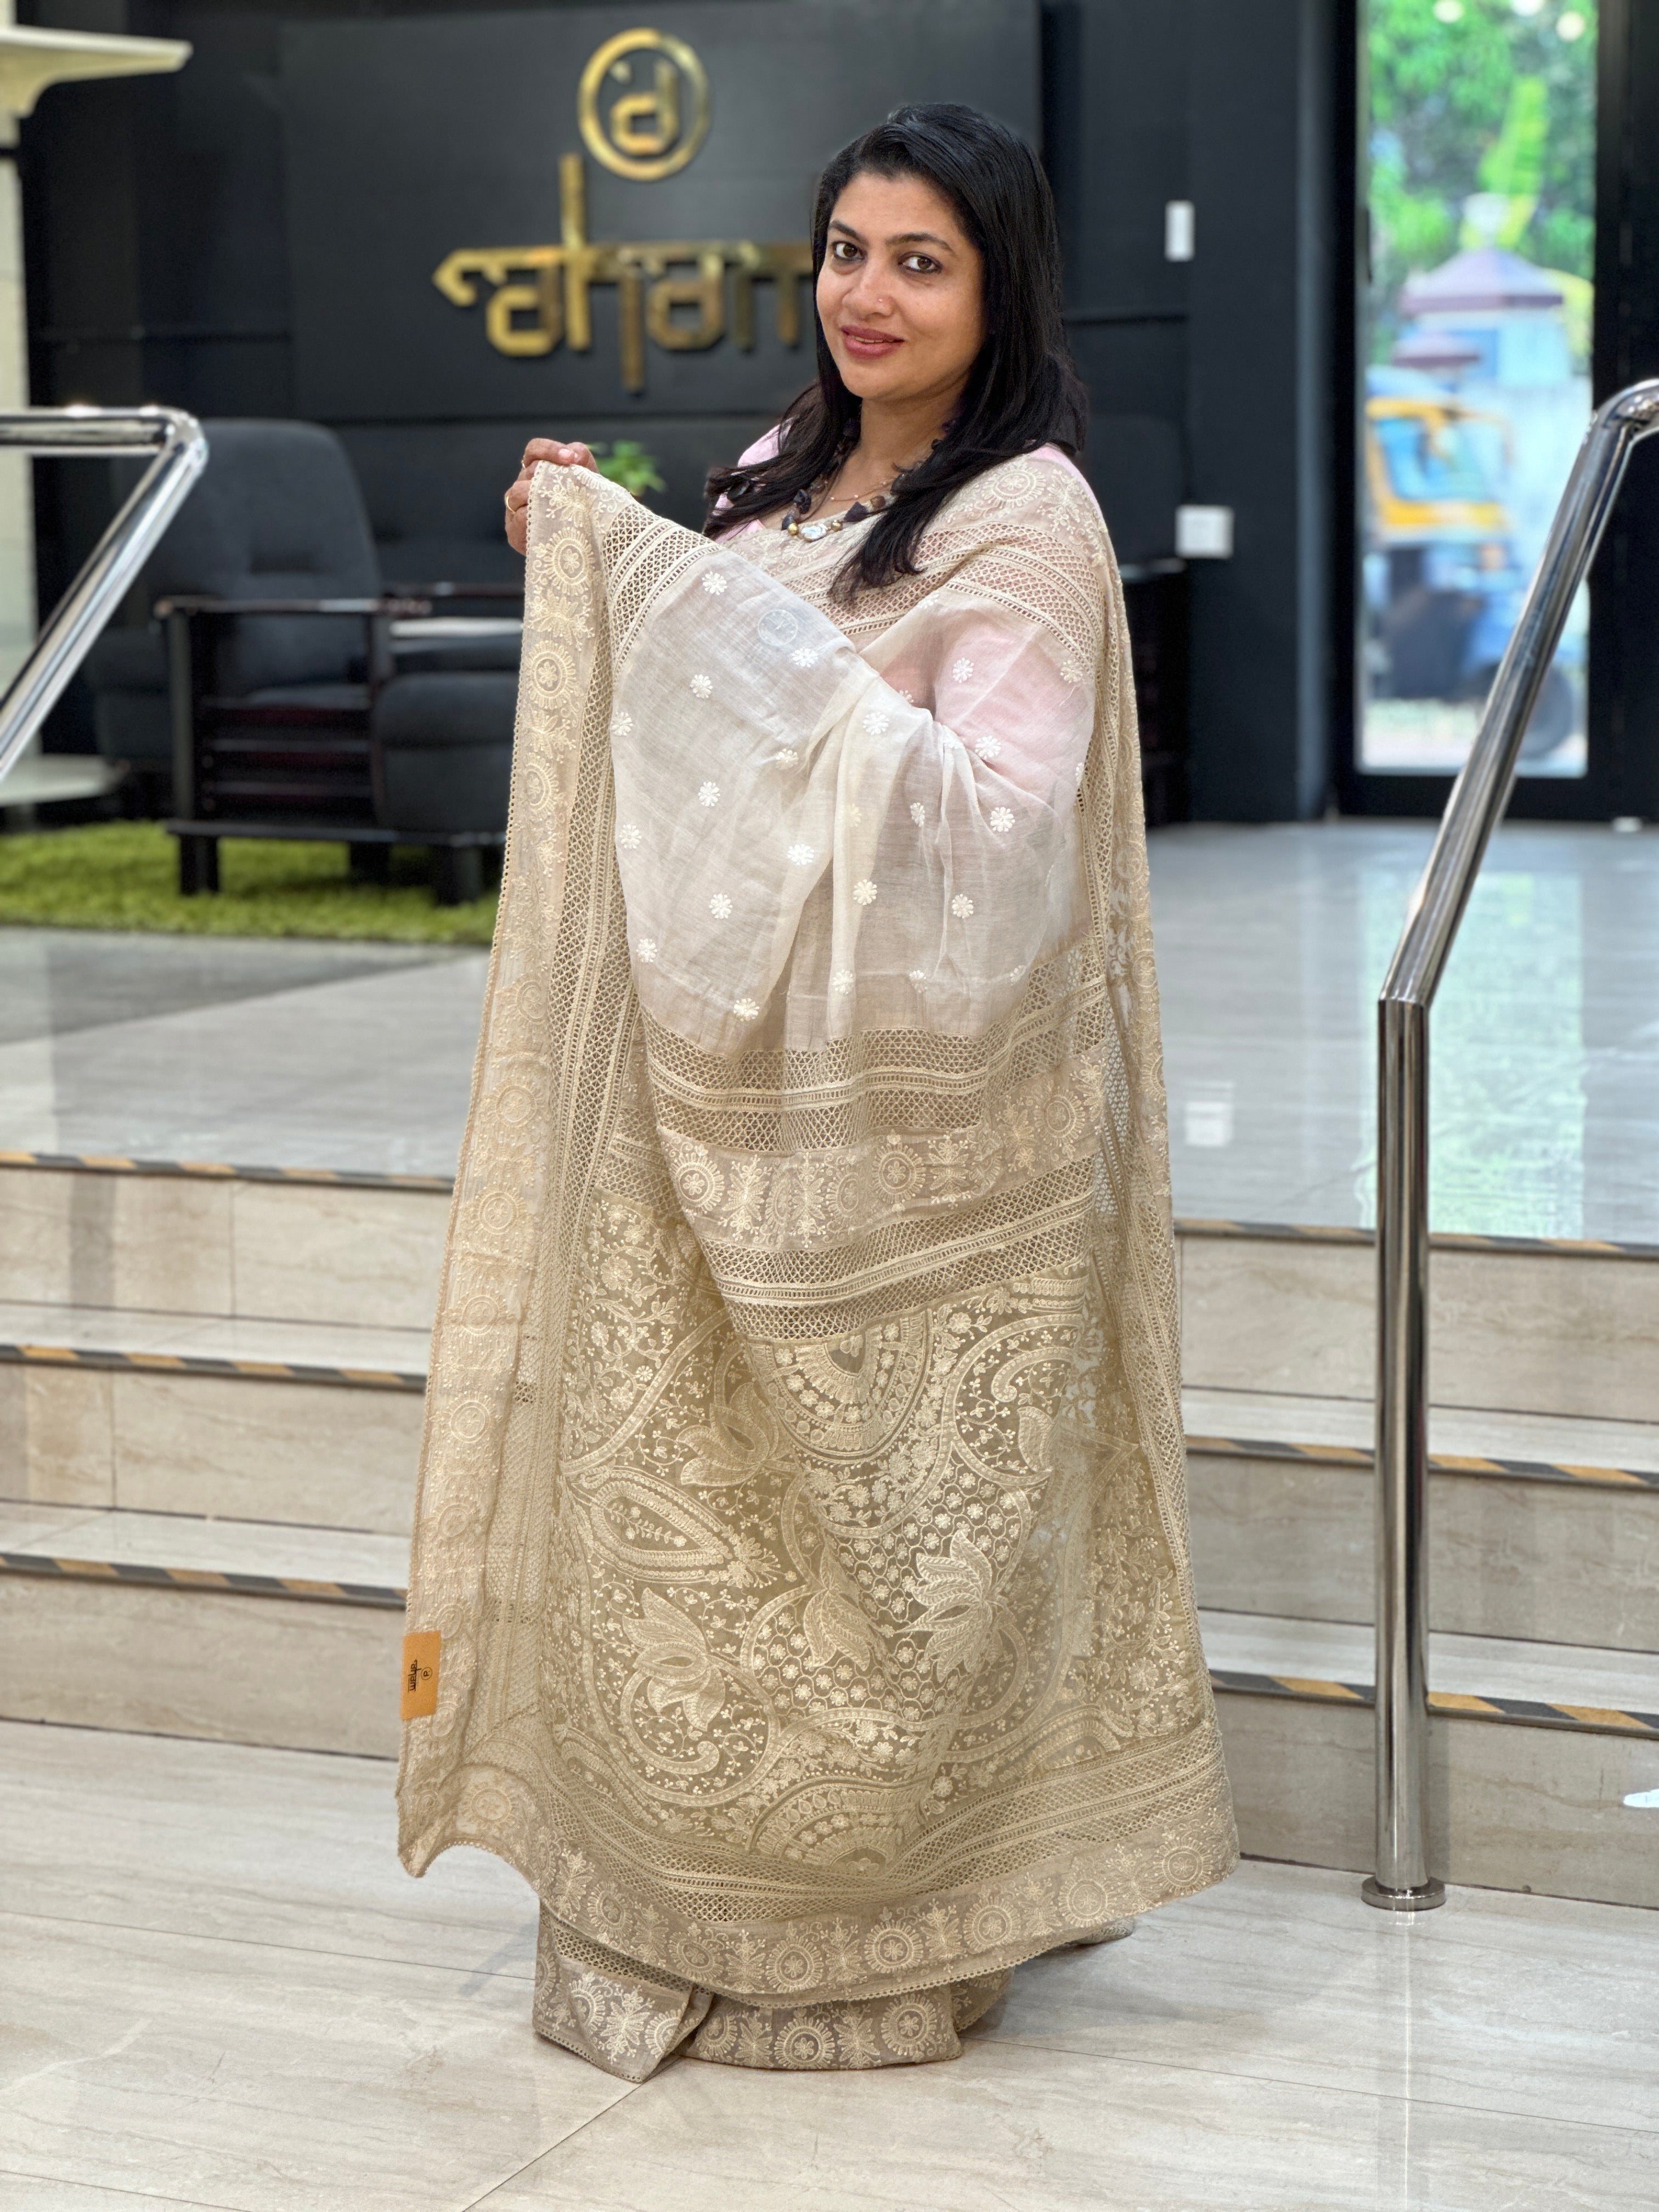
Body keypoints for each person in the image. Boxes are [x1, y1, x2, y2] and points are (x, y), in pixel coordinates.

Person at [399, 103, 1235, 2084]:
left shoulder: (1025, 520)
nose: (869, 294)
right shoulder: (778, 470)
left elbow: (1000, 836)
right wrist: (601, 562)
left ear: (999, 290)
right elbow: (691, 734)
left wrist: (702, 636)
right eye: (849, 250)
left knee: (889, 1556)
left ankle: (893, 1896)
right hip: (713, 1105)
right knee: (702, 1523)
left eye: (920, 262)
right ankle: (672, 1875)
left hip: (925, 1143)